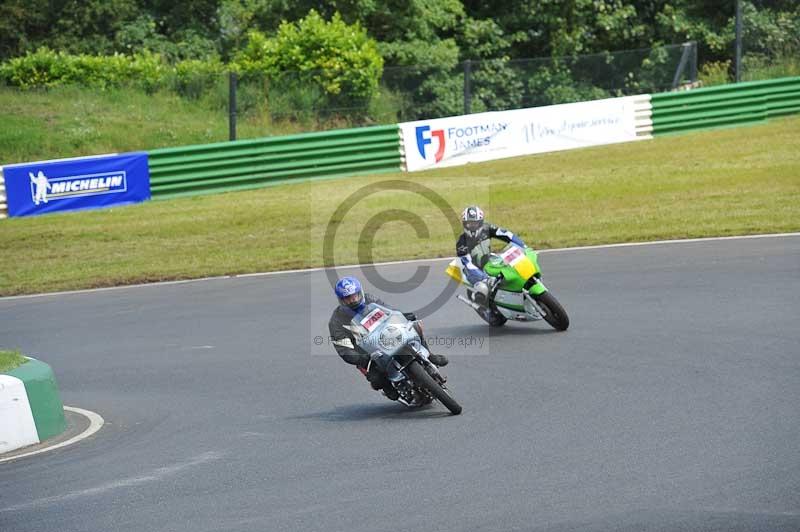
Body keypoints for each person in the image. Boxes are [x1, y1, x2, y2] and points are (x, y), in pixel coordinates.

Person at [328, 276, 448, 401]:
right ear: (341, 300)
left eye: (355, 296)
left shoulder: (370, 299)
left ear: (360, 293)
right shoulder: (336, 320)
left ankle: (430, 356)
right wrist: (361, 358)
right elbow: (343, 348)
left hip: (386, 336)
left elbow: (390, 311)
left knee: (415, 326)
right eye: (347, 298)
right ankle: (387, 386)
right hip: (367, 353)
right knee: (377, 379)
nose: (352, 300)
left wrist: (404, 316)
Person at [456, 205, 527, 302]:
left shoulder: (487, 228)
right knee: (483, 289)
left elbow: (507, 234)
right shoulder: (461, 242)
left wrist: (522, 246)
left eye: (475, 223)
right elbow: (467, 264)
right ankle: (487, 309)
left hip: (489, 261)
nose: (472, 226)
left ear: (481, 222)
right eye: (469, 223)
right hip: (474, 271)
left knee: (513, 268)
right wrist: (483, 278)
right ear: (464, 224)